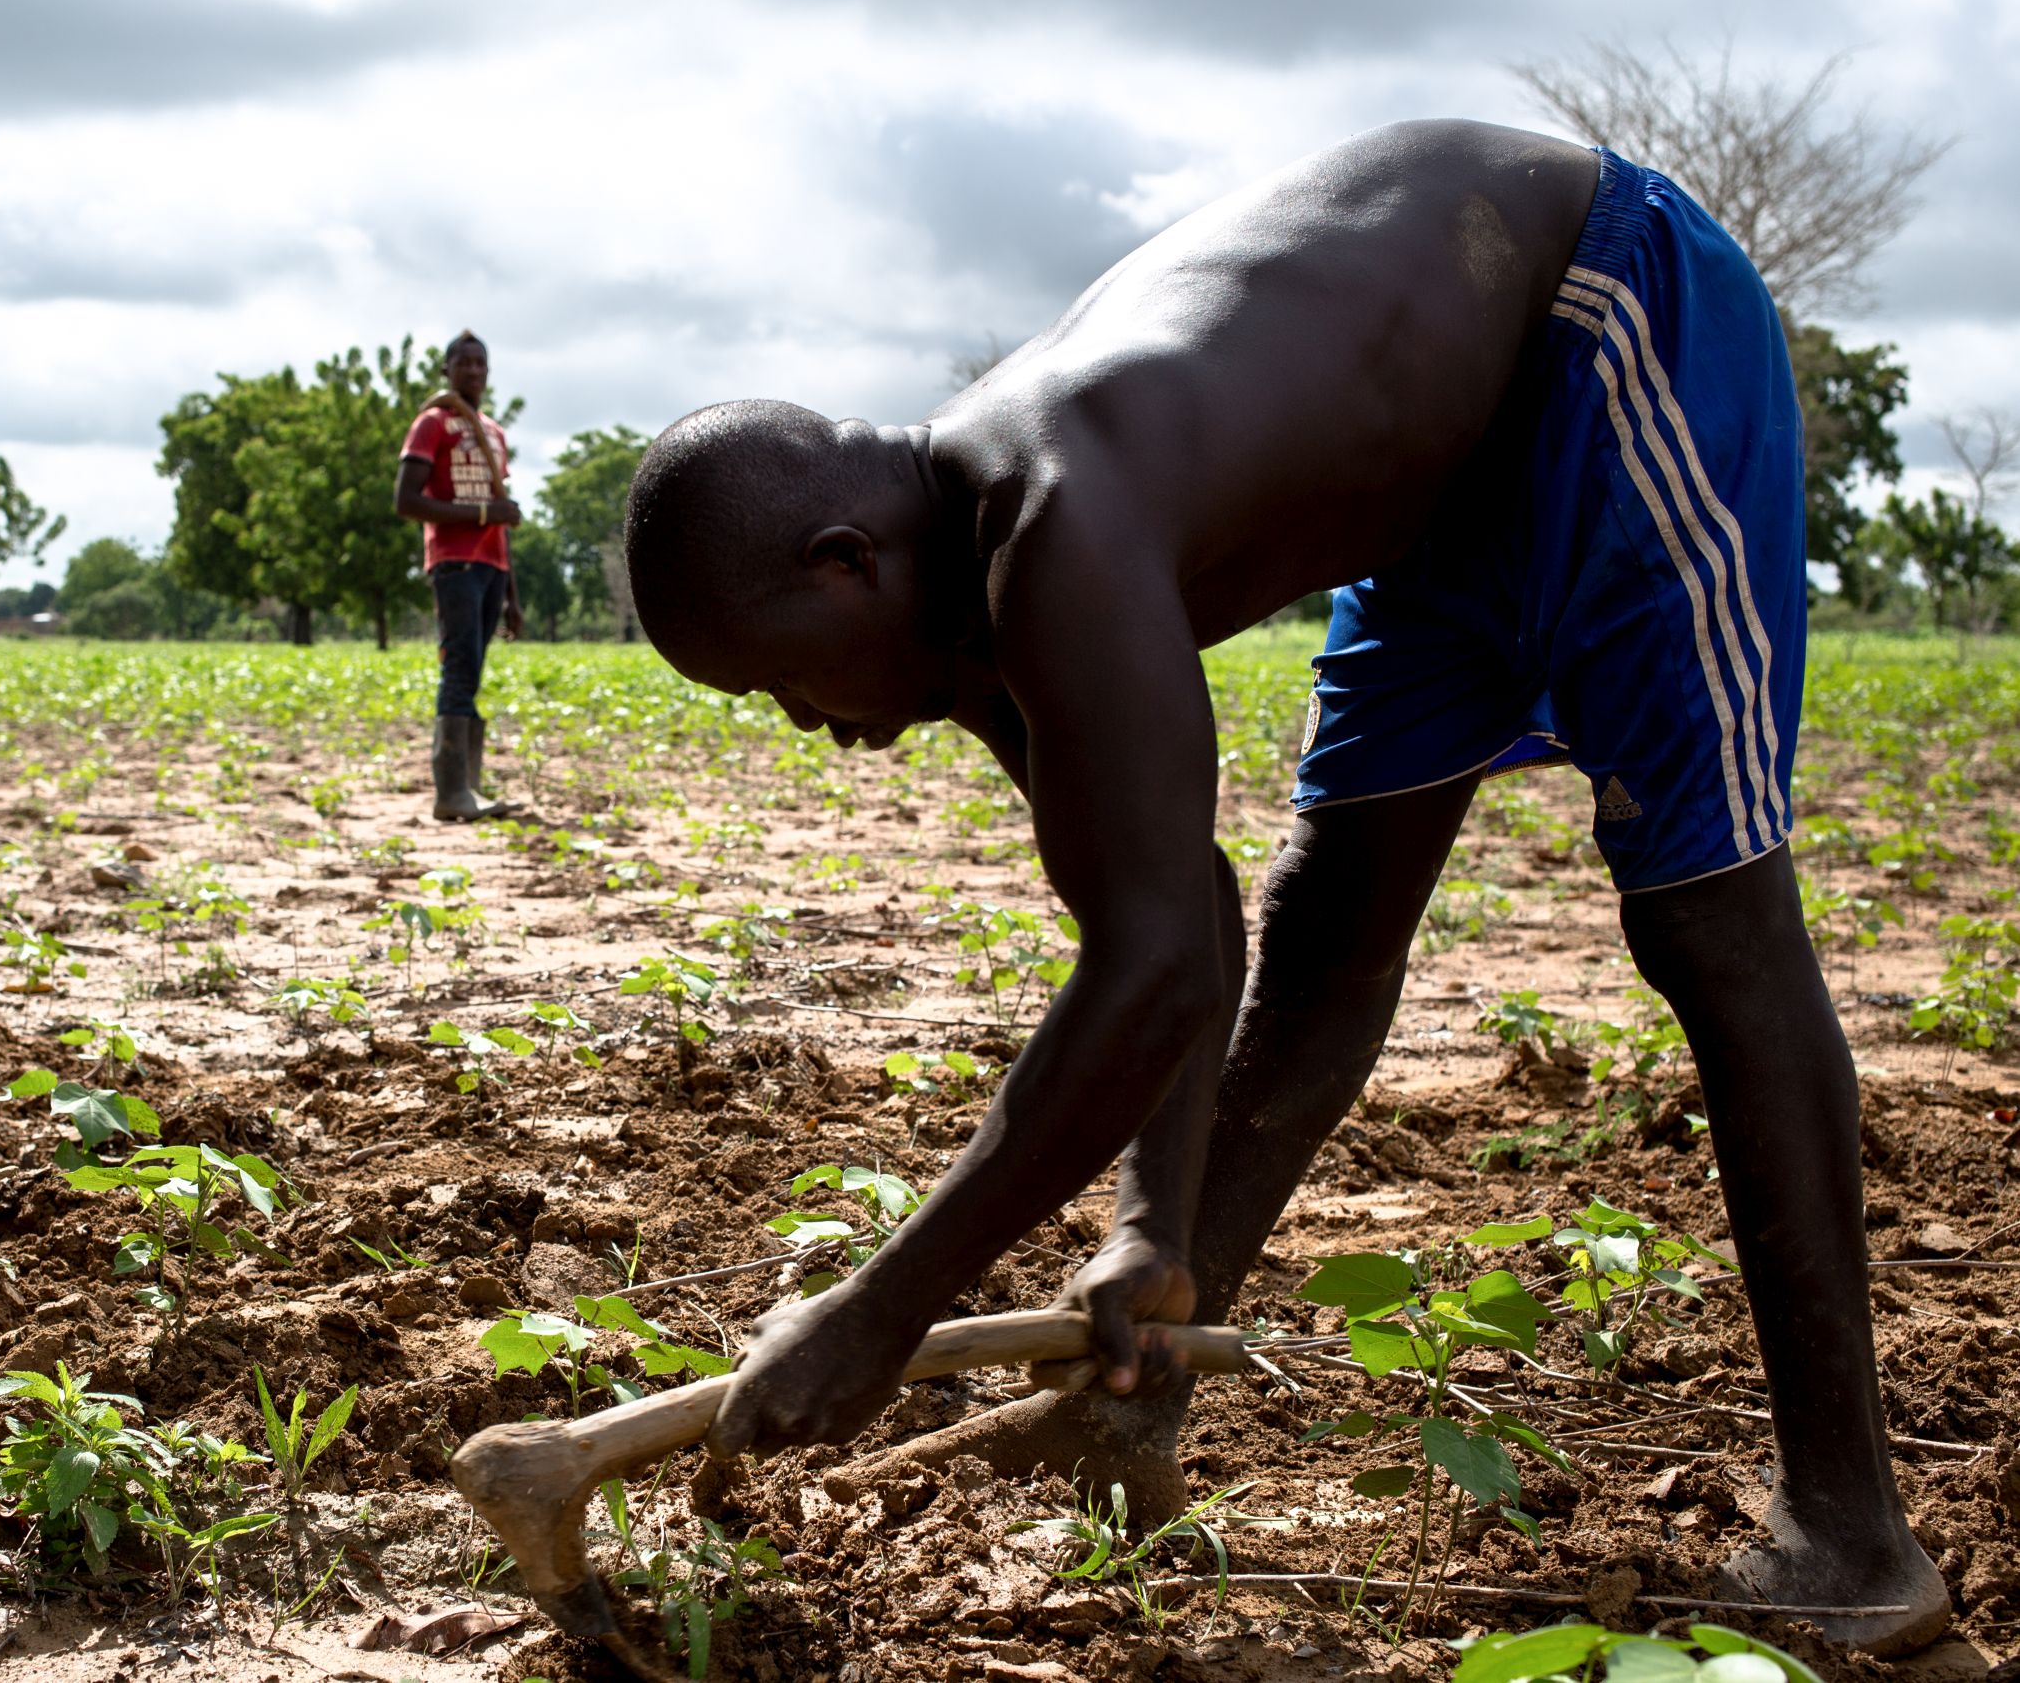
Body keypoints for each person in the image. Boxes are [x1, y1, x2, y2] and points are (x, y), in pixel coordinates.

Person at [620, 120, 1947, 1651]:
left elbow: (1158, 969)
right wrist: (1145, 1222)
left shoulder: (1054, 518)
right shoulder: (966, 616)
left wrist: (885, 1304)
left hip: (1598, 324)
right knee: (1325, 937)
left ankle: (1852, 1530)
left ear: (845, 562)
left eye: (784, 684)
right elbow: (1176, 913)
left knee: (1708, 923)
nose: (817, 729)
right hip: (1438, 503)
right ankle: (1132, 1395)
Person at [395, 330, 525, 820]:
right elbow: (406, 501)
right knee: (459, 667)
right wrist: (481, 514)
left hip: (492, 566)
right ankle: (450, 794)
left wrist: (513, 595)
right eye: (464, 363)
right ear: (446, 370)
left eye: (481, 363)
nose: (474, 371)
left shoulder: (493, 432)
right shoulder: (432, 423)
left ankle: (469, 788)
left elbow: (501, 520)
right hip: (454, 562)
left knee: (473, 671)